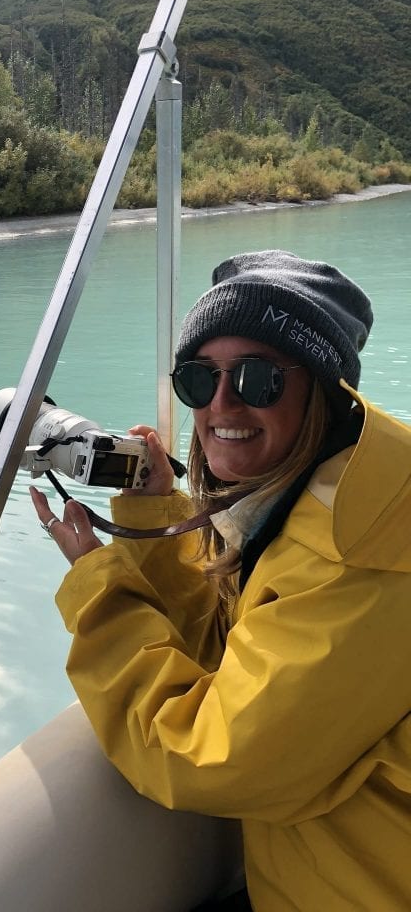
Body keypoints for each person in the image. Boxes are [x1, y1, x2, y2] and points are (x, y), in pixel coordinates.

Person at [30, 250, 411, 911]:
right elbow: (241, 653)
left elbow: (209, 757)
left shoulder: (359, 552)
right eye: (199, 380)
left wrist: (101, 592)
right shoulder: (327, 499)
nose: (222, 403)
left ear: (320, 388)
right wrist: (154, 515)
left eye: (259, 378)